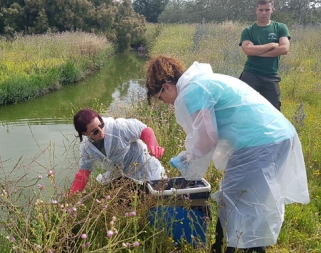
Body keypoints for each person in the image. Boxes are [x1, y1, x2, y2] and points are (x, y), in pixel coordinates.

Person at [144, 55, 309, 253]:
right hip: (278, 135)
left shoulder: (192, 91)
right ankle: (242, 247)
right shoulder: (201, 82)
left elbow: (206, 140)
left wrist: (187, 159)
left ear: (167, 86)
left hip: (260, 142)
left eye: (160, 97)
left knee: (234, 200)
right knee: (250, 199)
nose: (164, 103)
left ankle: (228, 248)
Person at [69, 108, 167, 194]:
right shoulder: (87, 147)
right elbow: (84, 172)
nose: (101, 132)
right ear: (85, 133)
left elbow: (144, 130)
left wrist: (153, 145)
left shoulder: (117, 127)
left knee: (156, 193)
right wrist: (71, 196)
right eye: (95, 132)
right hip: (122, 173)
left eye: (101, 125)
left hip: (144, 166)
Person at [239, 0, 290, 111]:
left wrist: (256, 51)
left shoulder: (280, 28)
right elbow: (247, 50)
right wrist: (271, 45)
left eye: (267, 10)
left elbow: (285, 49)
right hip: (251, 74)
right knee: (243, 107)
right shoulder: (248, 30)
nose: (263, 13)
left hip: (271, 75)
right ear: (256, 10)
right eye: (261, 10)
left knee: (274, 110)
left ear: (272, 10)